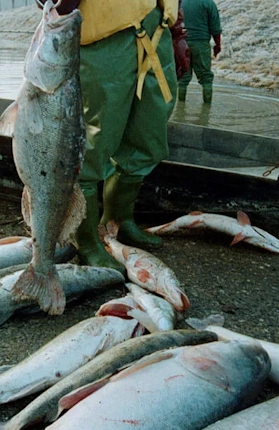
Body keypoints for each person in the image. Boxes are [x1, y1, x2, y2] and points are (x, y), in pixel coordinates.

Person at [48, 0, 188, 272]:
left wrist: (179, 29)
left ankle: (118, 222)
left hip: (158, 28)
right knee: (91, 143)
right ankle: (85, 239)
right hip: (103, 36)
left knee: (148, 131)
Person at [177, 0, 221, 104]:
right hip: (201, 44)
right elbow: (215, 28)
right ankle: (207, 106)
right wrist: (217, 45)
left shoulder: (180, 2)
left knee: (183, 77)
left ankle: (180, 107)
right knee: (206, 77)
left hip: (182, 43)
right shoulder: (208, 3)